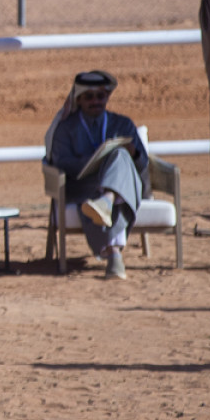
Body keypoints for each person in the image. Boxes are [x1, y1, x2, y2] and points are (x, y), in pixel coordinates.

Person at [45, 70, 149, 280]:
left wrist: (134, 153)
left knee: (121, 155)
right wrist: (95, 161)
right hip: (83, 185)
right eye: (89, 97)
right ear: (79, 100)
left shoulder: (122, 124)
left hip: (124, 182)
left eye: (100, 96)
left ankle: (107, 206)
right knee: (115, 178)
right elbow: (61, 162)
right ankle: (114, 250)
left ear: (107, 97)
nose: (95, 101)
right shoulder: (66, 128)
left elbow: (143, 163)